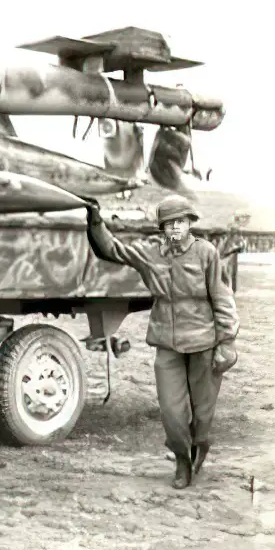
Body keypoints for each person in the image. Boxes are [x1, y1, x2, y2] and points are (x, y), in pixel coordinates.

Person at [85, 194, 240, 489]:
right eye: (169, 224)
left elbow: (222, 297)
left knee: (203, 412)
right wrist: (94, 219)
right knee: (171, 411)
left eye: (180, 222)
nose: (175, 228)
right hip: (167, 345)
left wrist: (227, 341)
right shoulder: (151, 253)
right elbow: (111, 250)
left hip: (204, 343)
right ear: (163, 228)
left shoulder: (206, 253)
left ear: (189, 223)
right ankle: (182, 459)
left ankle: (200, 446)